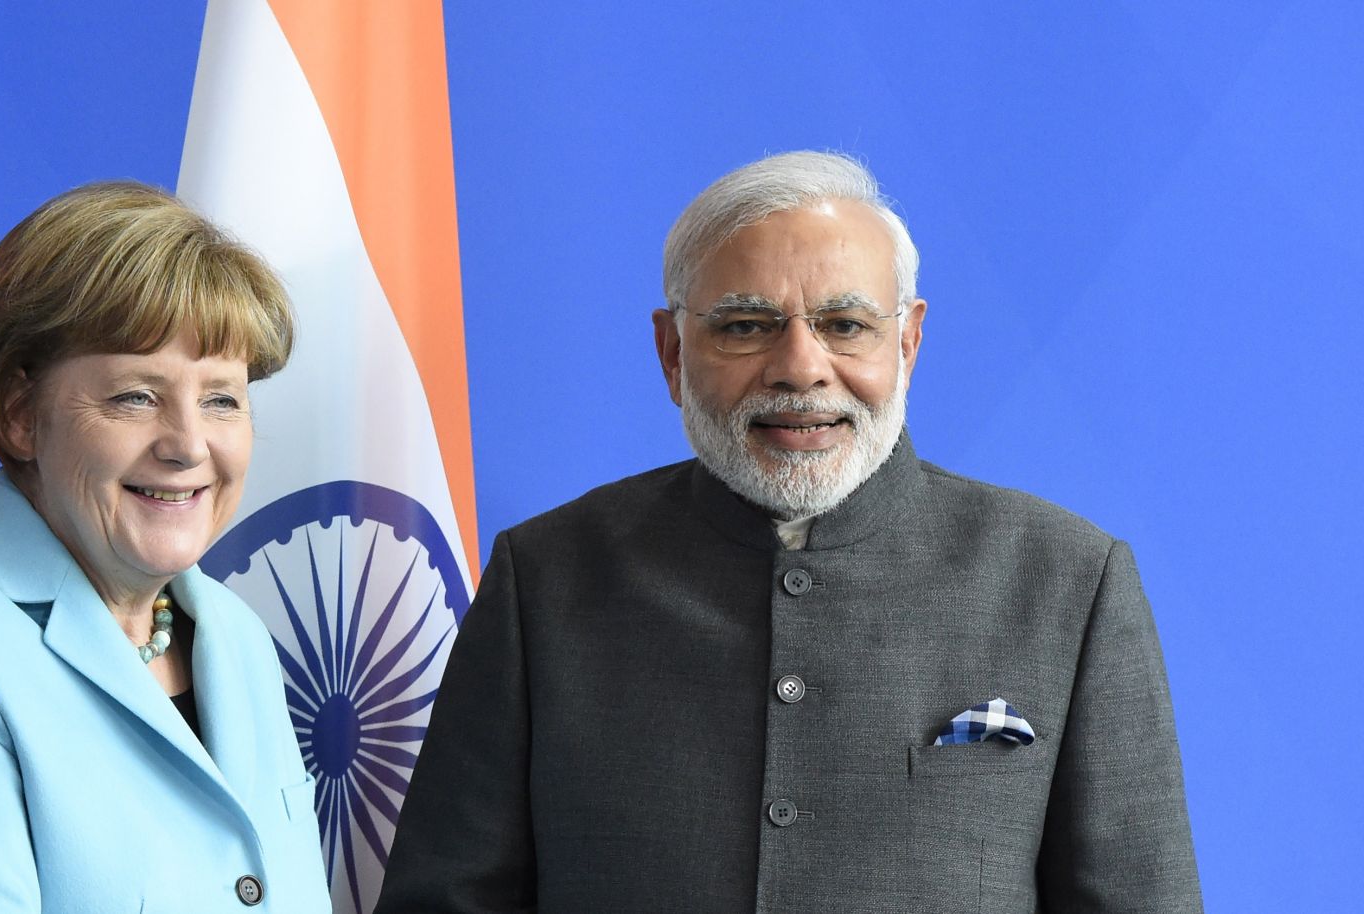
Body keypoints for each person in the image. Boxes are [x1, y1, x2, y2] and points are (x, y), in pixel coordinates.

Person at [376, 151, 1201, 913]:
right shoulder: (547, 579)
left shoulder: (1065, 581)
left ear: (908, 343)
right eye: (745, 326)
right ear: (671, 353)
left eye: (846, 325)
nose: (802, 367)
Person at [0, 182, 331, 913]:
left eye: (221, 399)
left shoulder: (235, 636)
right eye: (135, 396)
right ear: (20, 415)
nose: (188, 446)